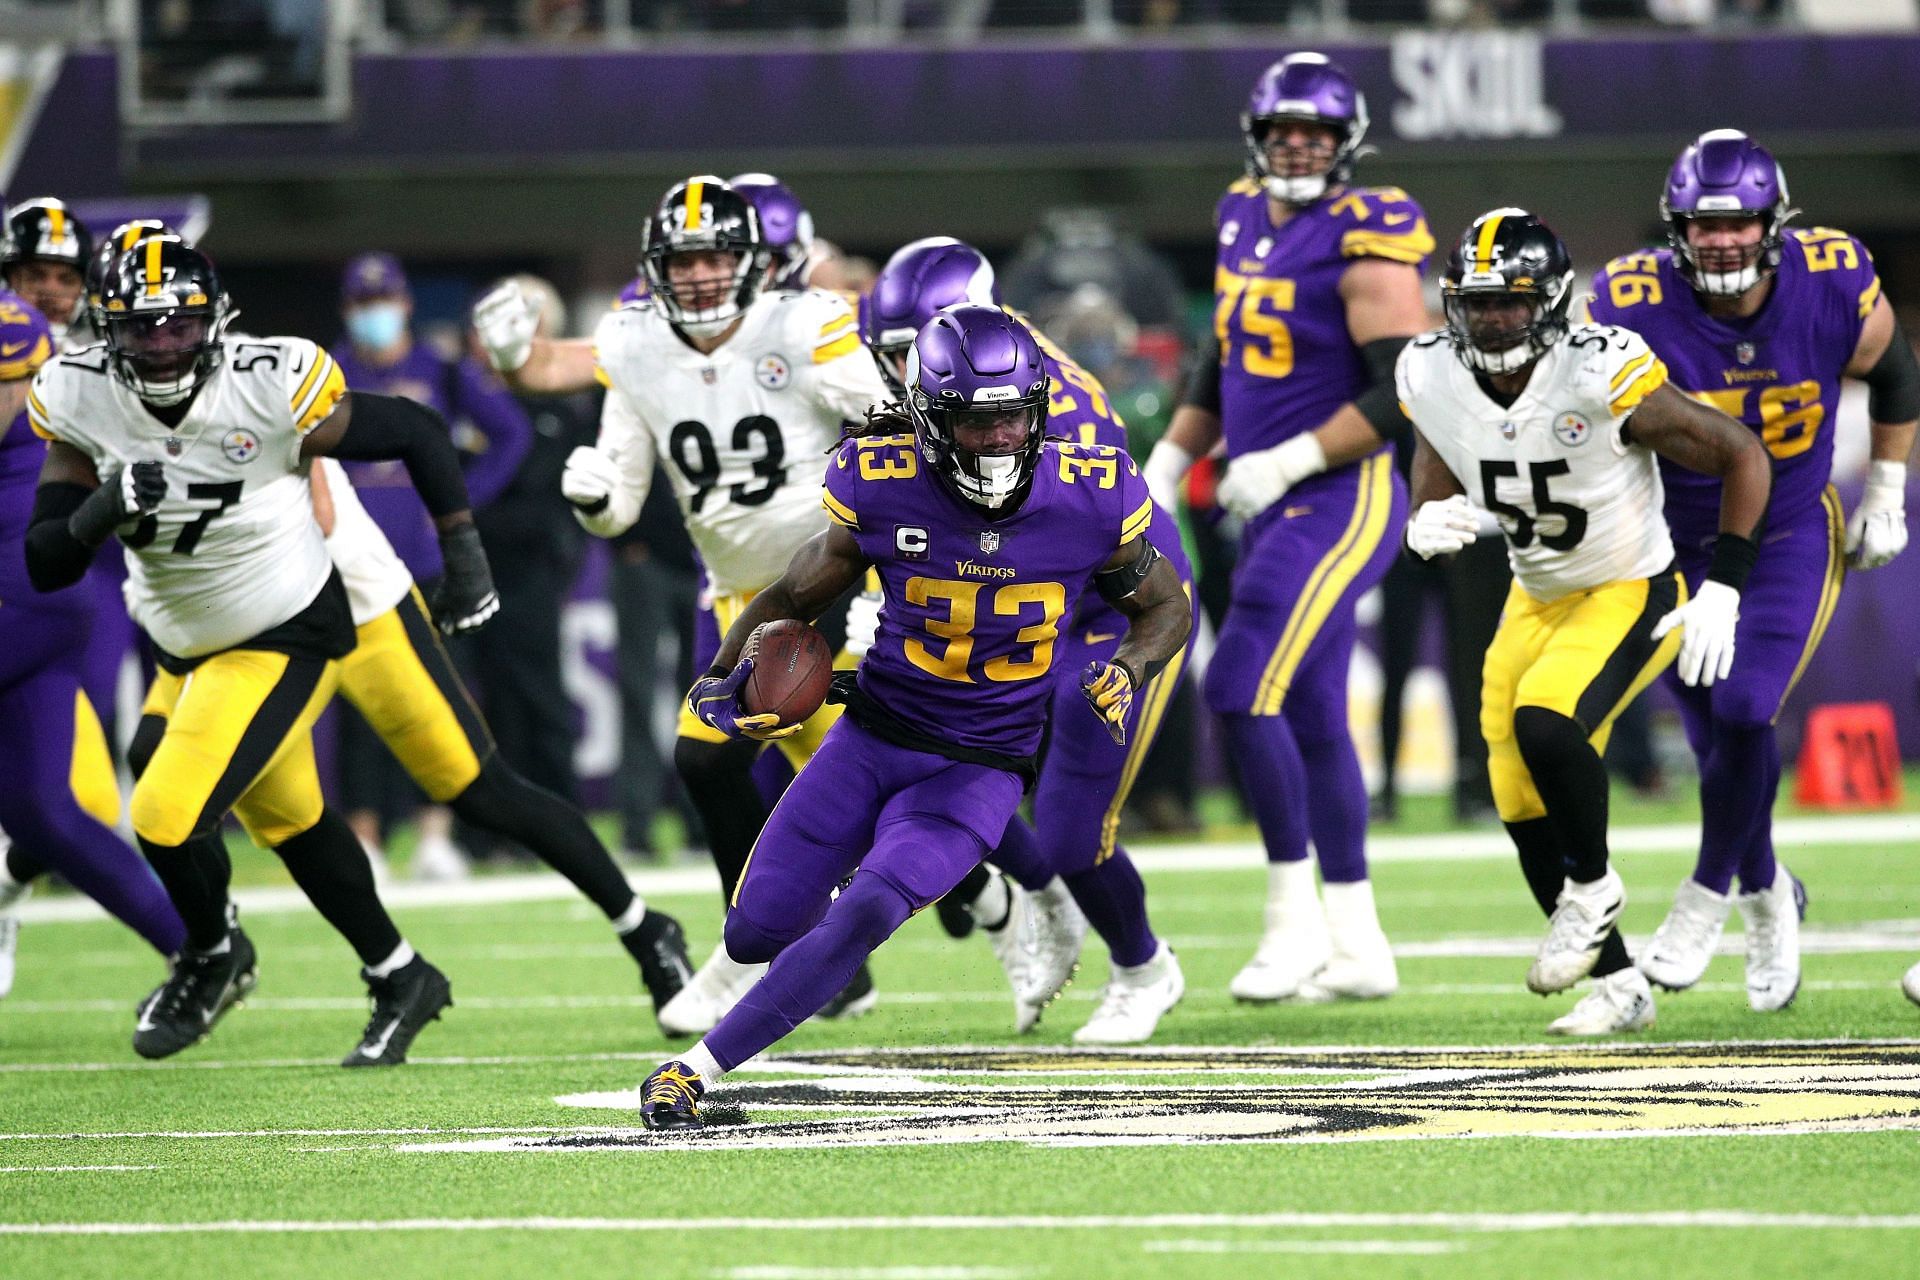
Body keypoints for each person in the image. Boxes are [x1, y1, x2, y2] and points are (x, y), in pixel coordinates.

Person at [635, 305, 1193, 1128]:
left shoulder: (1092, 493)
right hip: (870, 740)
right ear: (933, 419)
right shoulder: (882, 479)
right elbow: (794, 596)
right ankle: (933, 928)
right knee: (755, 934)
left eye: (1014, 417)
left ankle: (696, 1070)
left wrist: (1128, 667)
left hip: (980, 767)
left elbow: (1165, 608)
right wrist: (723, 675)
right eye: (977, 421)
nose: (1001, 439)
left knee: (866, 910)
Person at [24, 236, 498, 1064]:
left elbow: (419, 429)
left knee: (165, 817)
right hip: (190, 642)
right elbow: (46, 561)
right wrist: (99, 509)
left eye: (183, 326)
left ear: (215, 321)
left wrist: (462, 554)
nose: (167, 345)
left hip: (287, 626)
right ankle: (400, 973)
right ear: (106, 331)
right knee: (294, 820)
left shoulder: (269, 380)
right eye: (145, 329)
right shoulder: (77, 394)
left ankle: (211, 956)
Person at [516, 176, 892, 1035]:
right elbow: (620, 498)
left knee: (842, 780)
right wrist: (593, 496)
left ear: (749, 260)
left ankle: (998, 906)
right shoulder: (635, 344)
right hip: (741, 598)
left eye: (715, 255)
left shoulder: (803, 323)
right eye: (684, 259)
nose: (698, 275)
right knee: (725, 764)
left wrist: (883, 579)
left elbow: (897, 433)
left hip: (831, 567)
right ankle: (787, 954)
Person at [1399, 209, 1771, 1035]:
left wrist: (1726, 587)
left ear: (1554, 301)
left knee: (1549, 723)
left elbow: (1742, 451)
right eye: (1477, 302)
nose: (1492, 319)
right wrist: (1425, 516)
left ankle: (1595, 887)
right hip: (1535, 591)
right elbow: (1436, 455)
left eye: (1512, 302)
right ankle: (1619, 985)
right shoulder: (1429, 370)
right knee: (1512, 785)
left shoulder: (1598, 370)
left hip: (1628, 586)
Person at [1586, 130, 1919, 1012]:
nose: (1722, 240)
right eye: (1703, 225)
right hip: (1668, 542)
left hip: (1788, 534)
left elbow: (1895, 374)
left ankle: (1707, 896)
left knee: (1744, 708)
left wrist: (1885, 490)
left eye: (1739, 225)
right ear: (1676, 229)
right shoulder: (1627, 299)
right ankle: (1772, 894)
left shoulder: (1833, 277)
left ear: (1775, 225)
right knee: (1713, 742)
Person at [1142, 53, 1432, 1002]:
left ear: (1344, 143)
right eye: (1281, 131)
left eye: (1313, 132)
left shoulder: (1369, 227)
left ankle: (1294, 923)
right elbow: (1224, 356)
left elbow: (1402, 385)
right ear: (1258, 138)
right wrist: (1177, 458)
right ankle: (1359, 944)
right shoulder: (1239, 212)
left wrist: (1296, 457)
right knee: (1310, 715)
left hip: (1342, 497)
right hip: (1266, 501)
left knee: (1236, 685)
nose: (1296, 146)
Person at [860, 236, 1197, 1042]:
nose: (910, 375)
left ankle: (1143, 966)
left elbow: (1073, 538)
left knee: (1078, 830)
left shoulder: (1037, 404)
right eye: (898, 356)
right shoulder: (965, 378)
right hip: (1014, 594)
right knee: (915, 751)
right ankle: (1029, 902)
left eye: (918, 354)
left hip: (1104, 603)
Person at [0, 289, 186, 996]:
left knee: (73, 800)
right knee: (45, 811)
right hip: (43, 613)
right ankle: (201, 946)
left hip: (40, 608)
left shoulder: (49, 384)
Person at [333, 250, 532, 880]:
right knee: (362, 707)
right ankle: (364, 836)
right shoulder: (327, 371)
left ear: (406, 305)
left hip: (429, 563)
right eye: (363, 305)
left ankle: (435, 835)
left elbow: (512, 433)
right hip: (350, 564)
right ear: (348, 311)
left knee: (443, 698)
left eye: (382, 302)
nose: (375, 316)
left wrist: (459, 502)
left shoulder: (440, 370)